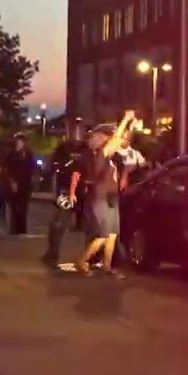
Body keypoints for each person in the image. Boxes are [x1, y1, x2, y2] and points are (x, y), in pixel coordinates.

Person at [73, 111, 136, 276]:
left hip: (111, 198)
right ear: (102, 138)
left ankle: (107, 265)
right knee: (102, 235)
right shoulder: (101, 154)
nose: (116, 139)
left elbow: (122, 140)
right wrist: (126, 120)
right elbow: (117, 138)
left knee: (113, 234)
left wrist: (131, 127)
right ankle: (81, 261)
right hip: (101, 198)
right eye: (109, 136)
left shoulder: (110, 157)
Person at [42, 127, 85, 269]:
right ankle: (52, 253)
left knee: (60, 224)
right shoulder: (63, 149)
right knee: (56, 224)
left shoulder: (85, 149)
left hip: (80, 192)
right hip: (65, 191)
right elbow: (53, 167)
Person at [3, 133, 36, 236]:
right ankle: (15, 228)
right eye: (18, 141)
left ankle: (22, 228)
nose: (19, 144)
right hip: (13, 183)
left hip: (25, 184)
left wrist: (34, 179)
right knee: (14, 206)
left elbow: (33, 168)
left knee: (23, 207)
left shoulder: (28, 155)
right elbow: (7, 169)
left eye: (21, 142)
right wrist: (11, 181)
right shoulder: (11, 155)